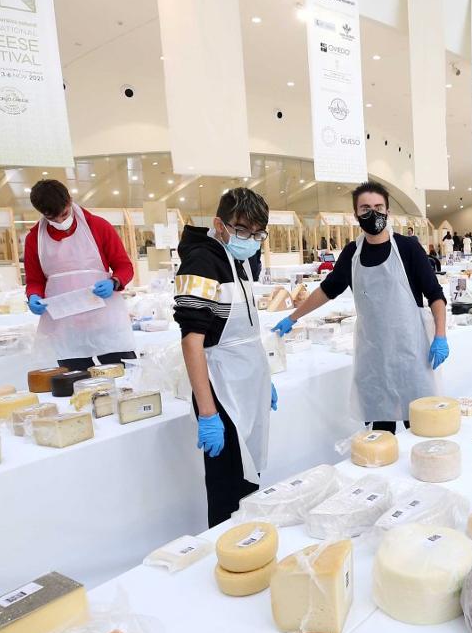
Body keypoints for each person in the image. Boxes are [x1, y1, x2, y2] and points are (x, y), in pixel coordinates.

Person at [273, 181, 448, 433]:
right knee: (380, 431)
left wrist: (440, 335)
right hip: (373, 355)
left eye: (378, 207)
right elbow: (327, 289)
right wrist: (293, 317)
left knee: (419, 424)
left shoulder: (408, 249)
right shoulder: (352, 253)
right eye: (365, 208)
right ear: (356, 215)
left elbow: (435, 296)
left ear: (388, 211)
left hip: (412, 351)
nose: (372, 213)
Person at [173, 188, 276, 526]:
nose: (250, 239)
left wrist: (265, 379)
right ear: (219, 223)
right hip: (221, 387)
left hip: (247, 380)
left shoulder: (239, 259)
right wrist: (208, 412)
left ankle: (249, 544)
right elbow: (192, 341)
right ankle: (227, 549)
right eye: (242, 229)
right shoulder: (202, 260)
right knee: (226, 484)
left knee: (248, 475)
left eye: (258, 232)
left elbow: (245, 330)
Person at [25, 179, 135, 371]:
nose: (60, 222)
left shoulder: (98, 227)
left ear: (70, 200)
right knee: (76, 383)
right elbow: (35, 279)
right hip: (66, 325)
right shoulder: (34, 239)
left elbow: (124, 266)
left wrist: (115, 282)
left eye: (64, 214)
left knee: (123, 374)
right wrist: (33, 295)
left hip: (105, 319)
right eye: (52, 218)